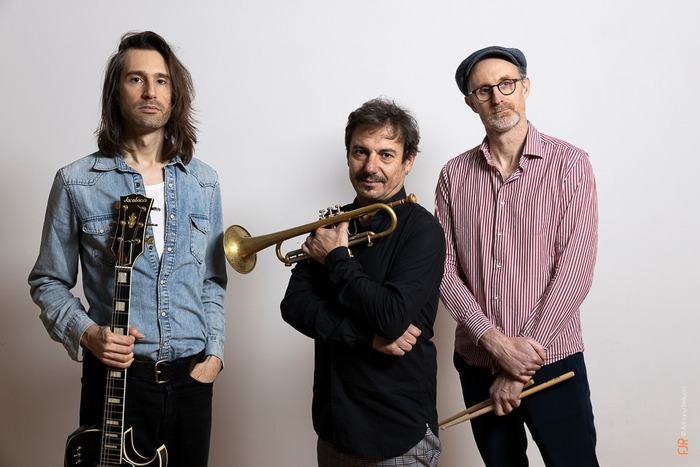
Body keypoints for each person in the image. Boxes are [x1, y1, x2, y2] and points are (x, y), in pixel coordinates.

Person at [28, 31, 227, 467]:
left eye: (162, 80)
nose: (151, 91)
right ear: (116, 92)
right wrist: (87, 333)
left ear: (174, 94)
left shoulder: (204, 182)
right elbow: (48, 281)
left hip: (192, 381)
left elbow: (212, 280)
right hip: (117, 382)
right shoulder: (76, 182)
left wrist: (214, 354)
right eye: (136, 79)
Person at [435, 46, 599, 466]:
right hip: (478, 361)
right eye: (483, 90)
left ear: (526, 88)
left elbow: (576, 270)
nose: (497, 97)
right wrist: (494, 342)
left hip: (553, 359)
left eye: (506, 84)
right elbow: (443, 268)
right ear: (471, 103)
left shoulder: (570, 164)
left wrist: (518, 364)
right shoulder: (453, 175)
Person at [281, 97, 445, 466]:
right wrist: (365, 338)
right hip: (334, 427)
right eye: (360, 152)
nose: (370, 167)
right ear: (348, 156)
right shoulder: (332, 225)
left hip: (396, 434)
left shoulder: (424, 232)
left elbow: (391, 317)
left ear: (408, 161)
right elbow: (294, 305)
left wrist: (336, 259)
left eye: (386, 155)